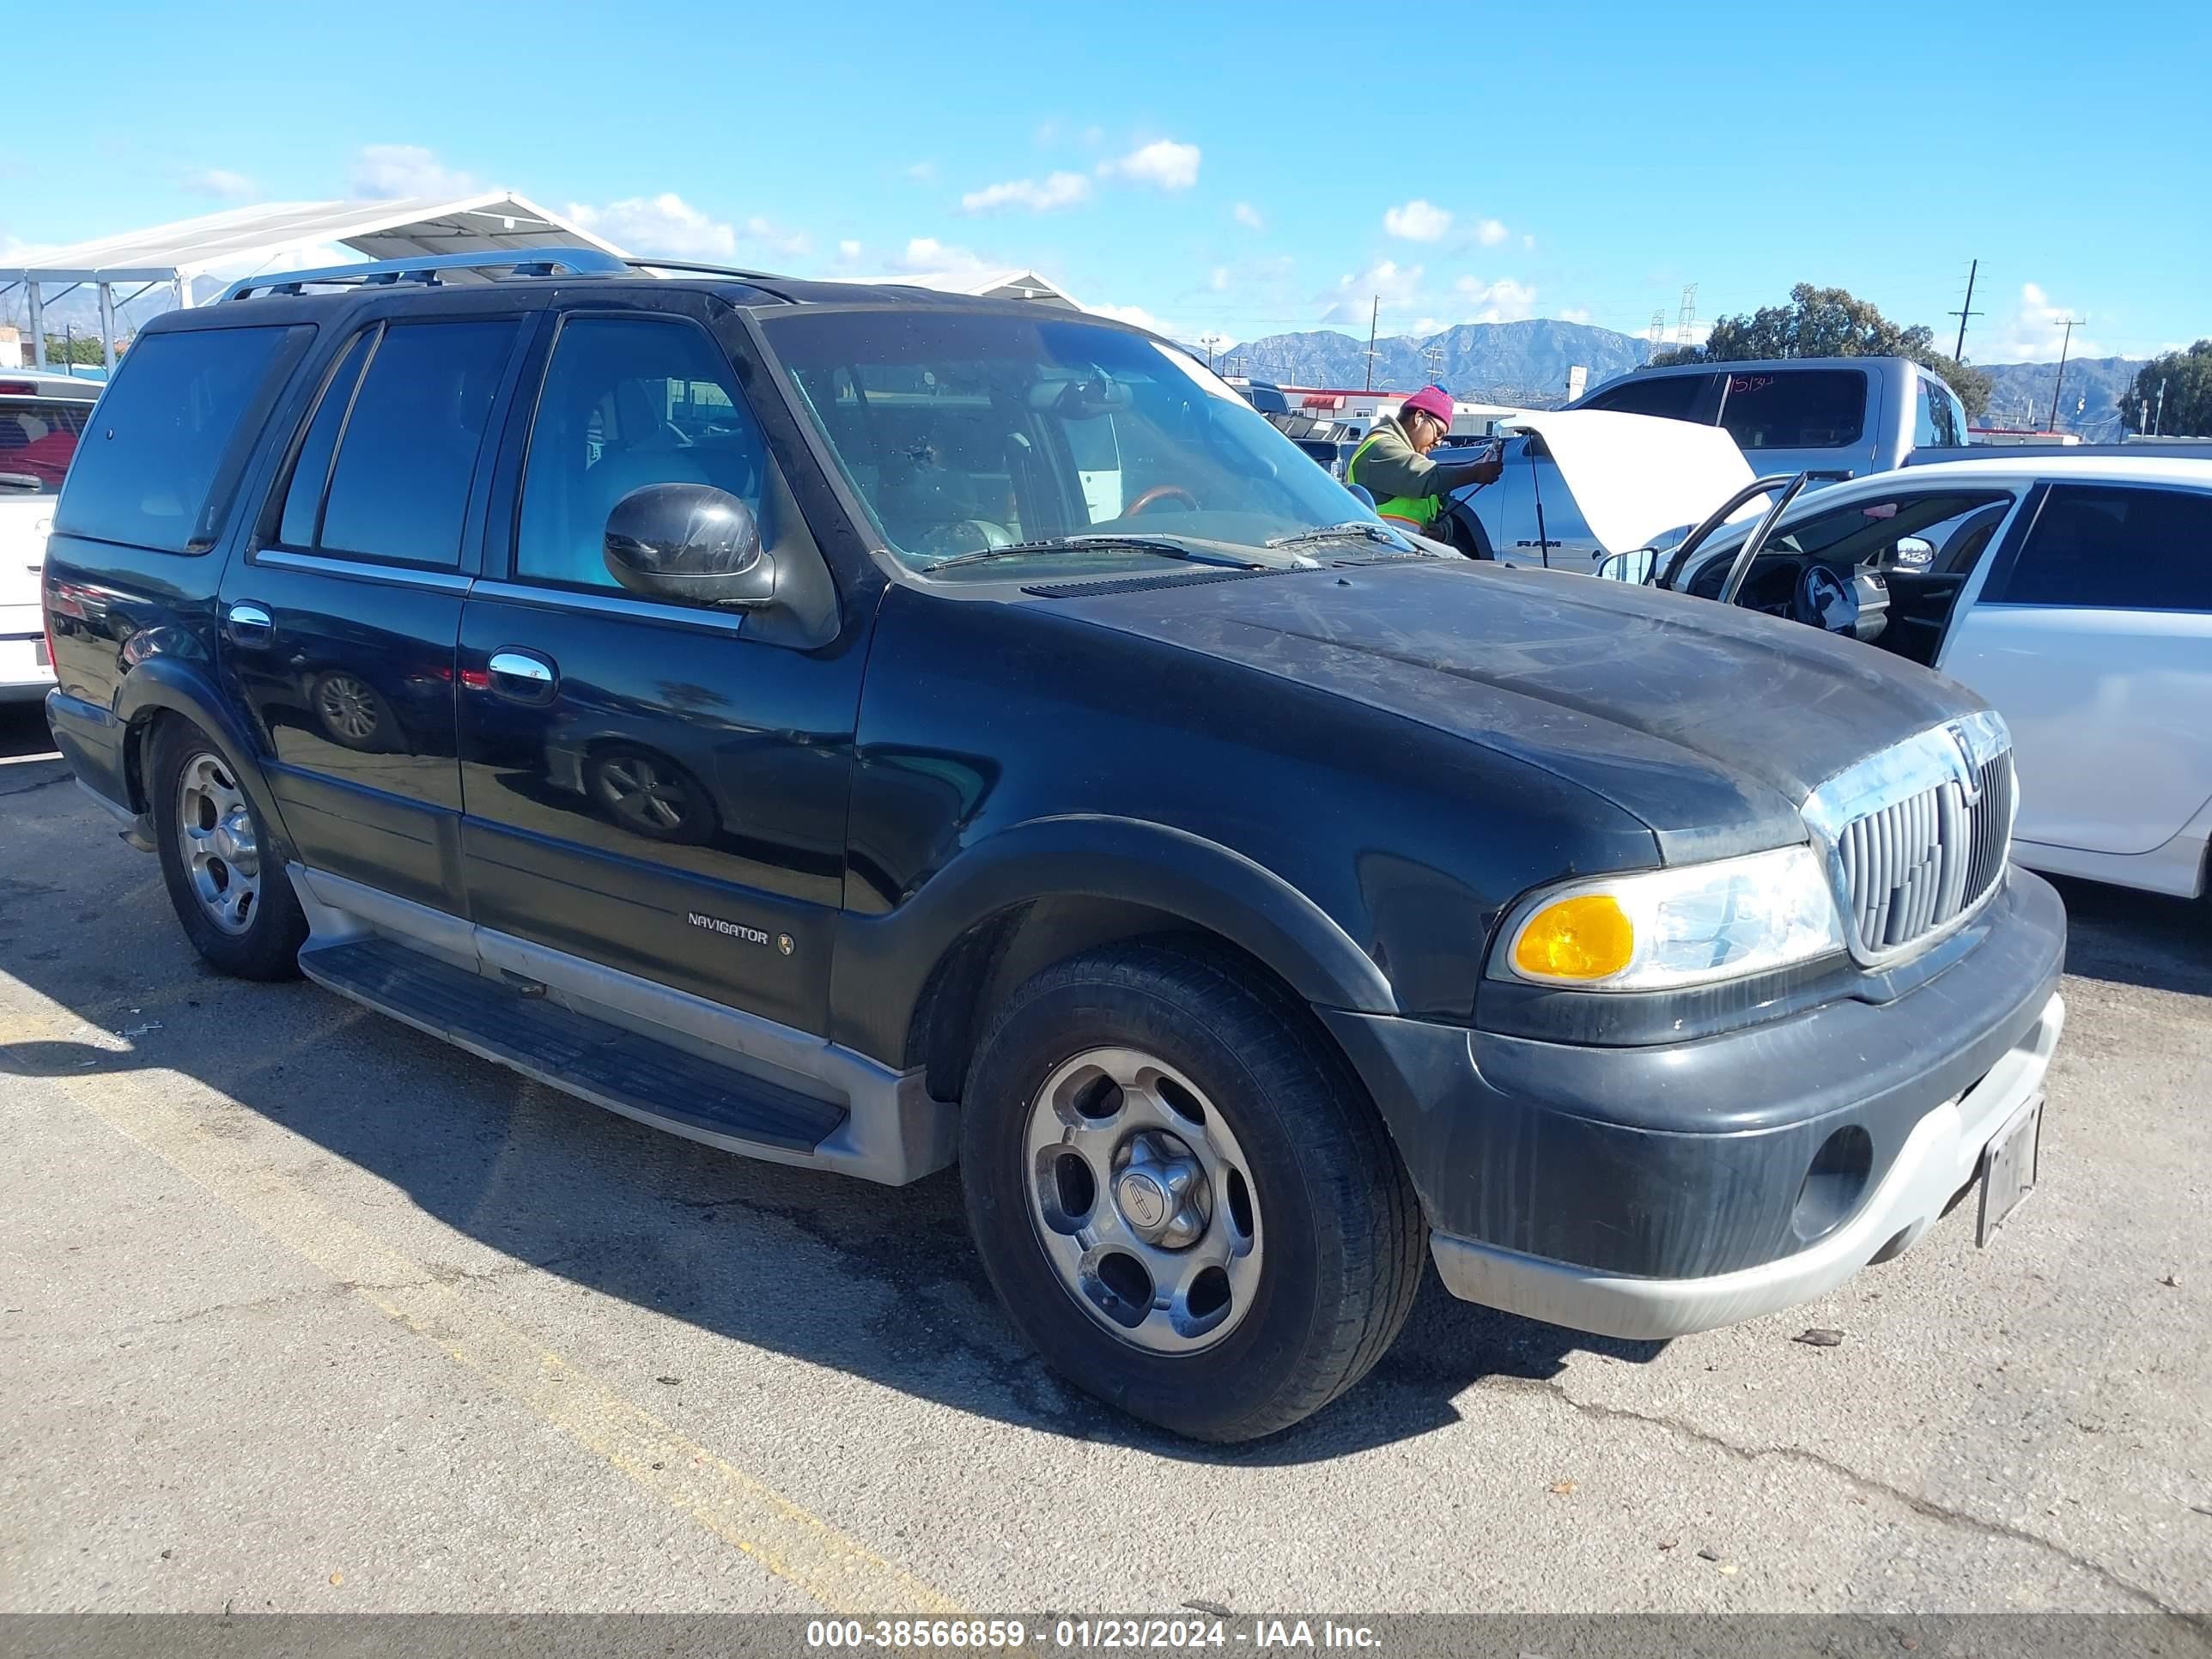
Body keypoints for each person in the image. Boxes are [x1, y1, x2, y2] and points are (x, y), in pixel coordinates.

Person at [1343, 386, 1503, 535]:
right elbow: (1427, 479)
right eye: (1438, 433)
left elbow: (1440, 505)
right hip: (1376, 556)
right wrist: (1475, 473)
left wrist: (1443, 531)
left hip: (1406, 558)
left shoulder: (1414, 459)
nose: (1438, 442)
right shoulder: (1380, 447)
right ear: (1419, 417)